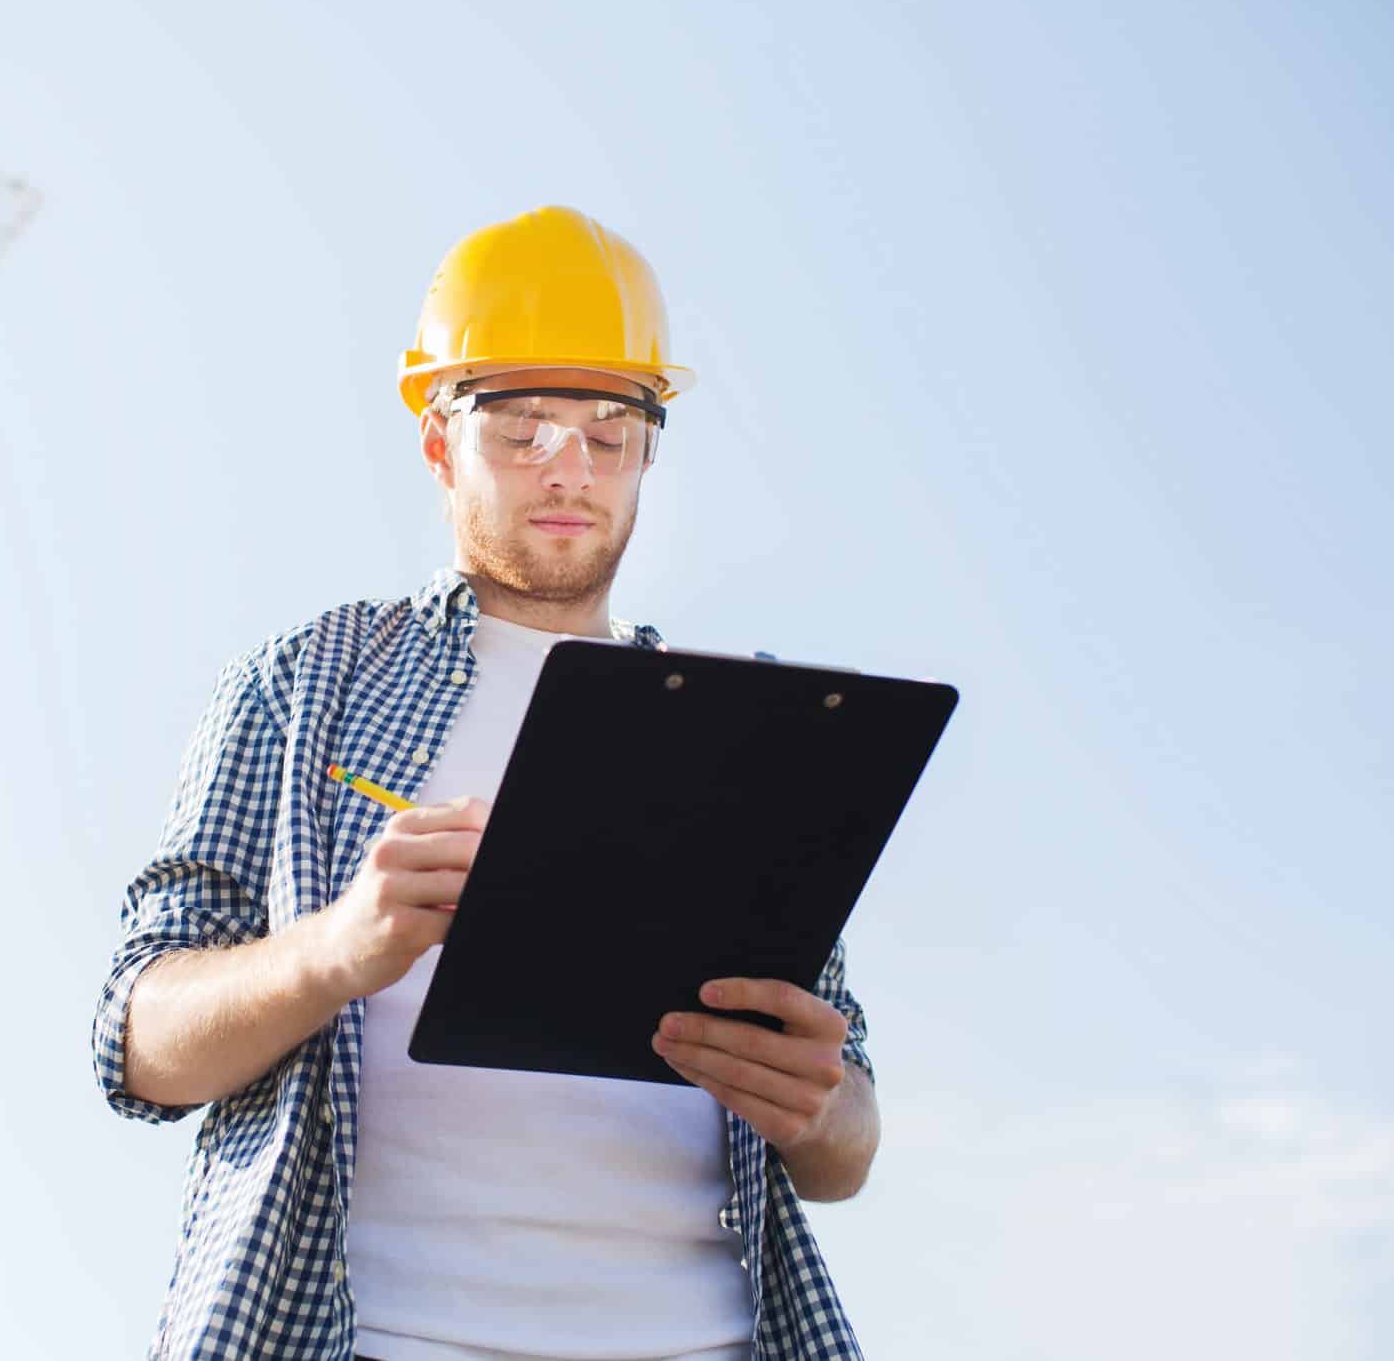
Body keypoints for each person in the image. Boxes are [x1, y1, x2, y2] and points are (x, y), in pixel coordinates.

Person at [93, 205, 879, 1360]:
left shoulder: (748, 725)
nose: (567, 468)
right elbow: (136, 1044)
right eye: (519, 429)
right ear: (436, 443)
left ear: (648, 452)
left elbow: (847, 1142)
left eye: (608, 430)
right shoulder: (303, 686)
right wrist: (336, 946)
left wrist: (819, 1102)